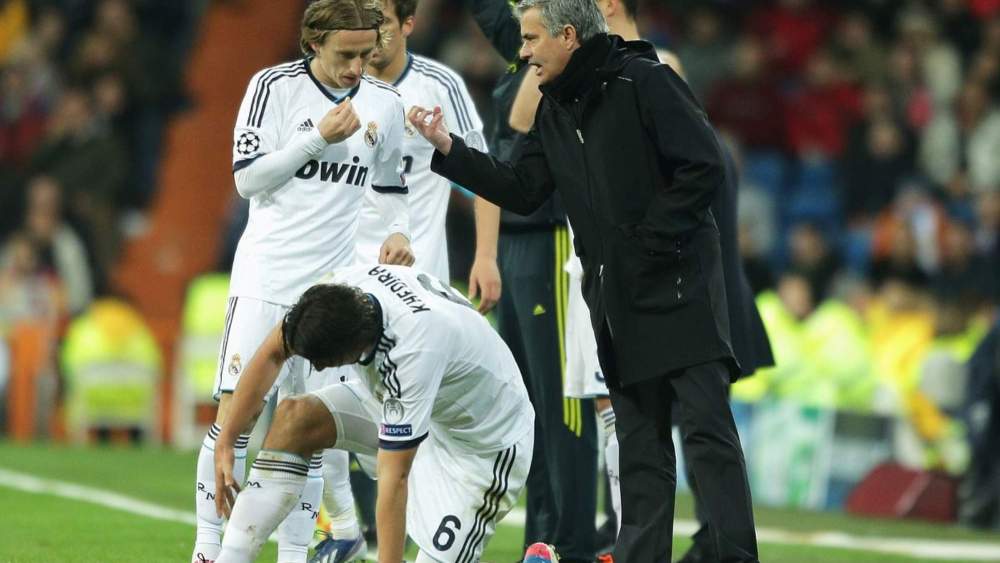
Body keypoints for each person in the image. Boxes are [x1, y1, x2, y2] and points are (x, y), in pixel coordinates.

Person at [409, 0, 759, 560]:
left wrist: (649, 243)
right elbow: (523, 188)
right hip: (615, 299)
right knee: (640, 445)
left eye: (530, 39)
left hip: (679, 287)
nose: (521, 53)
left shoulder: (645, 78)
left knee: (706, 433)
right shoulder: (555, 107)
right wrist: (449, 150)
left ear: (568, 36)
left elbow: (704, 166)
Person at [191, 1, 414, 562]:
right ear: (313, 43)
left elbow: (389, 188)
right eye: (345, 55)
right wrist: (315, 138)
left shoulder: (385, 103)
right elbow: (247, 180)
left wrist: (400, 232)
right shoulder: (272, 87)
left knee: (309, 430)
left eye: (366, 55)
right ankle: (207, 547)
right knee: (233, 424)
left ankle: (296, 551)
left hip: (329, 294)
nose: (356, 68)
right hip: (265, 279)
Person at [212, 264, 534, 563]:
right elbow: (274, 350)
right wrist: (227, 439)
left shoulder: (411, 351)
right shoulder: (340, 292)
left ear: (349, 350)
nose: (319, 367)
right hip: (427, 409)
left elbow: (395, 477)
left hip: (480, 448)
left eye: (322, 361)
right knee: (295, 418)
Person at [468, 0, 600, 558]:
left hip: (553, 237)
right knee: (527, 403)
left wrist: (533, 52)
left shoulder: (566, 57)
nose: (520, 40)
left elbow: (523, 119)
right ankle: (541, 538)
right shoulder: (524, 48)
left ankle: (572, 540)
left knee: (562, 398)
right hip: (517, 239)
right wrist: (488, 251)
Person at [356, 0, 501, 295]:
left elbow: (484, 176)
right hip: (350, 274)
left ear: (408, 24)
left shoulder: (439, 86)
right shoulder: (336, 86)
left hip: (421, 277)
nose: (372, 33)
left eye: (382, 22)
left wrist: (486, 258)